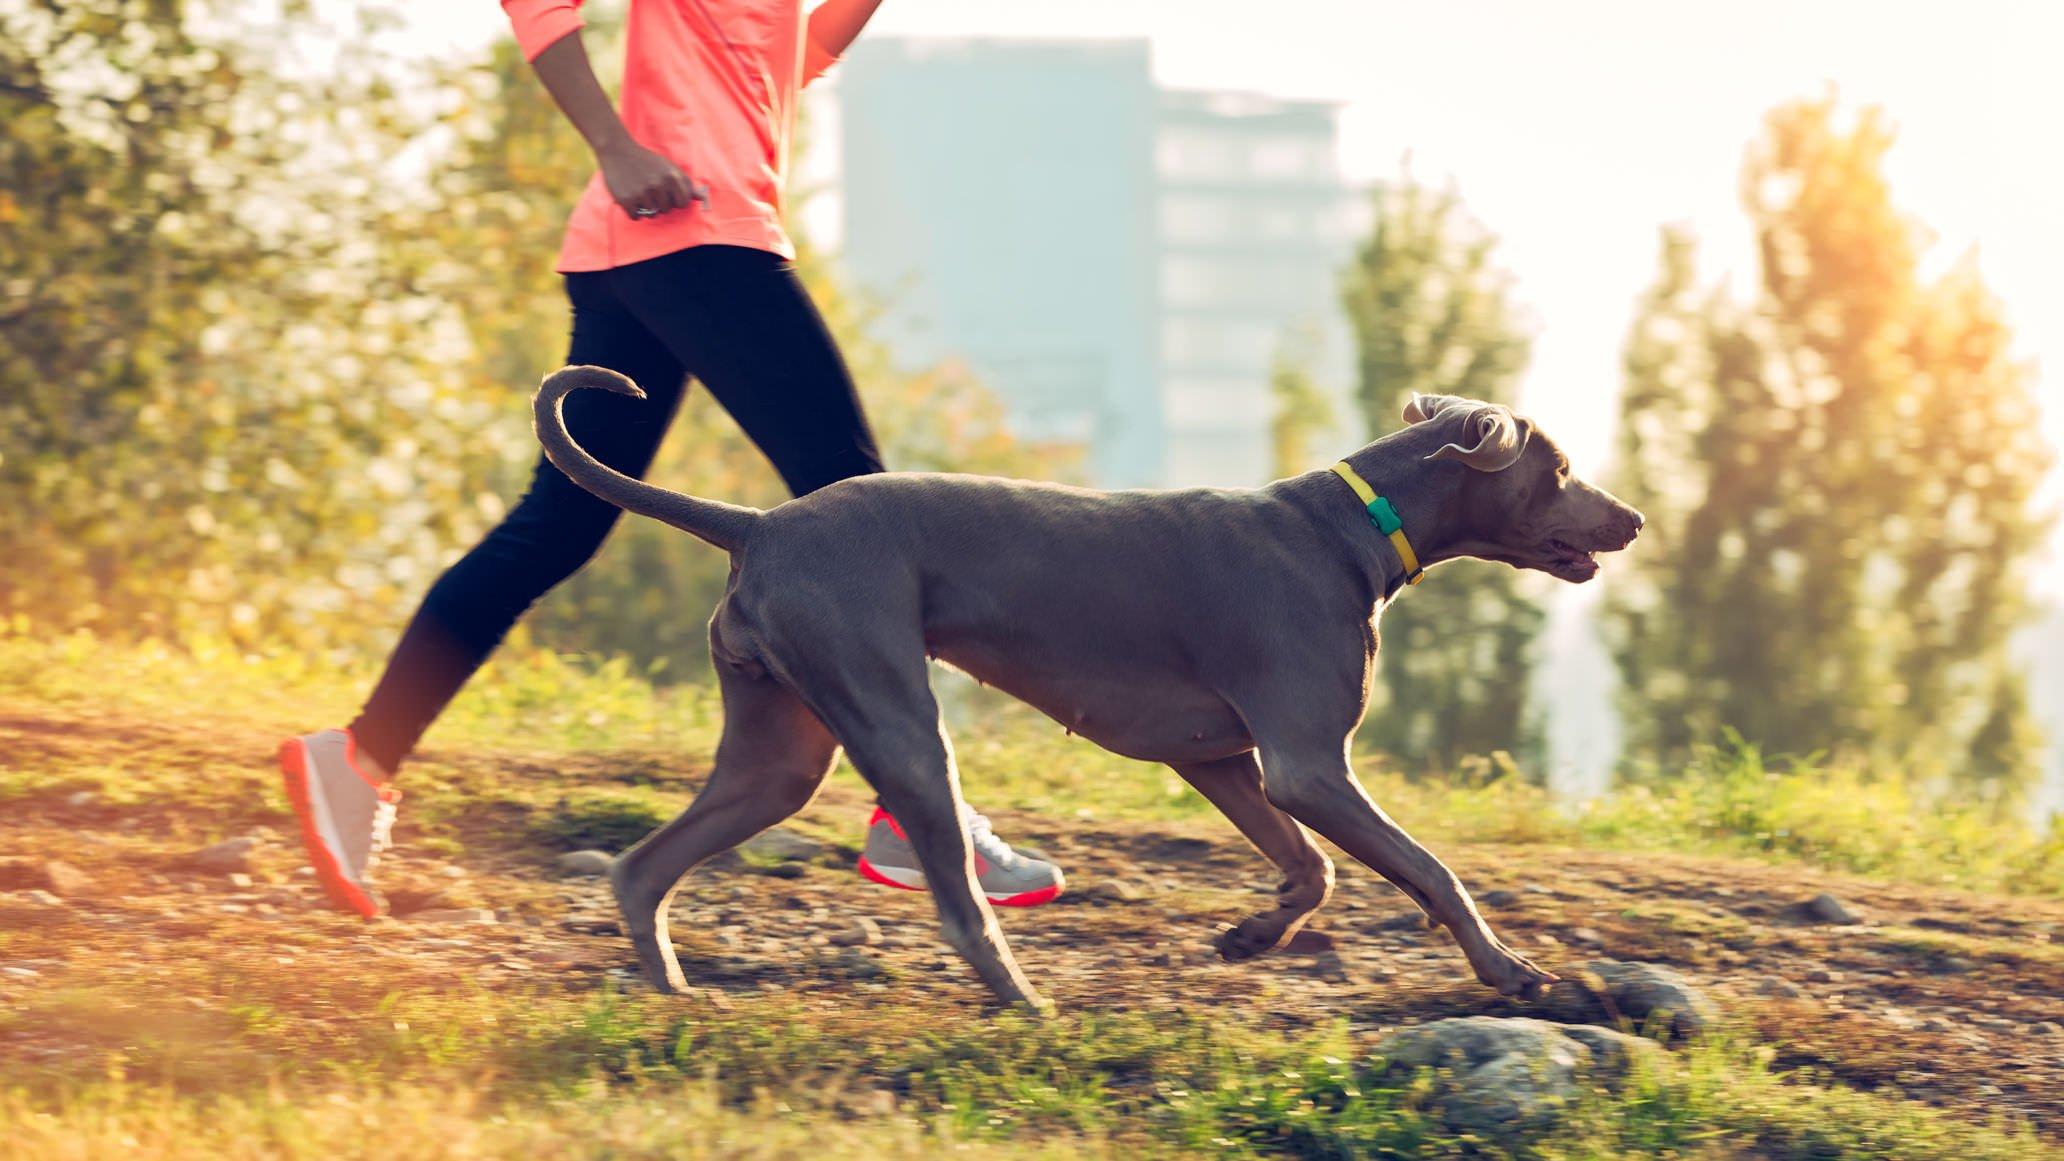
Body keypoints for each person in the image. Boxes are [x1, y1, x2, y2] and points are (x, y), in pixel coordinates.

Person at [278, 0, 1063, 920]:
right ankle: (912, 810)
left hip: (662, 241)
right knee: (865, 519)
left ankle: (360, 757)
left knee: (557, 527)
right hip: (695, 235)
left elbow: (790, 59)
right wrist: (614, 148)